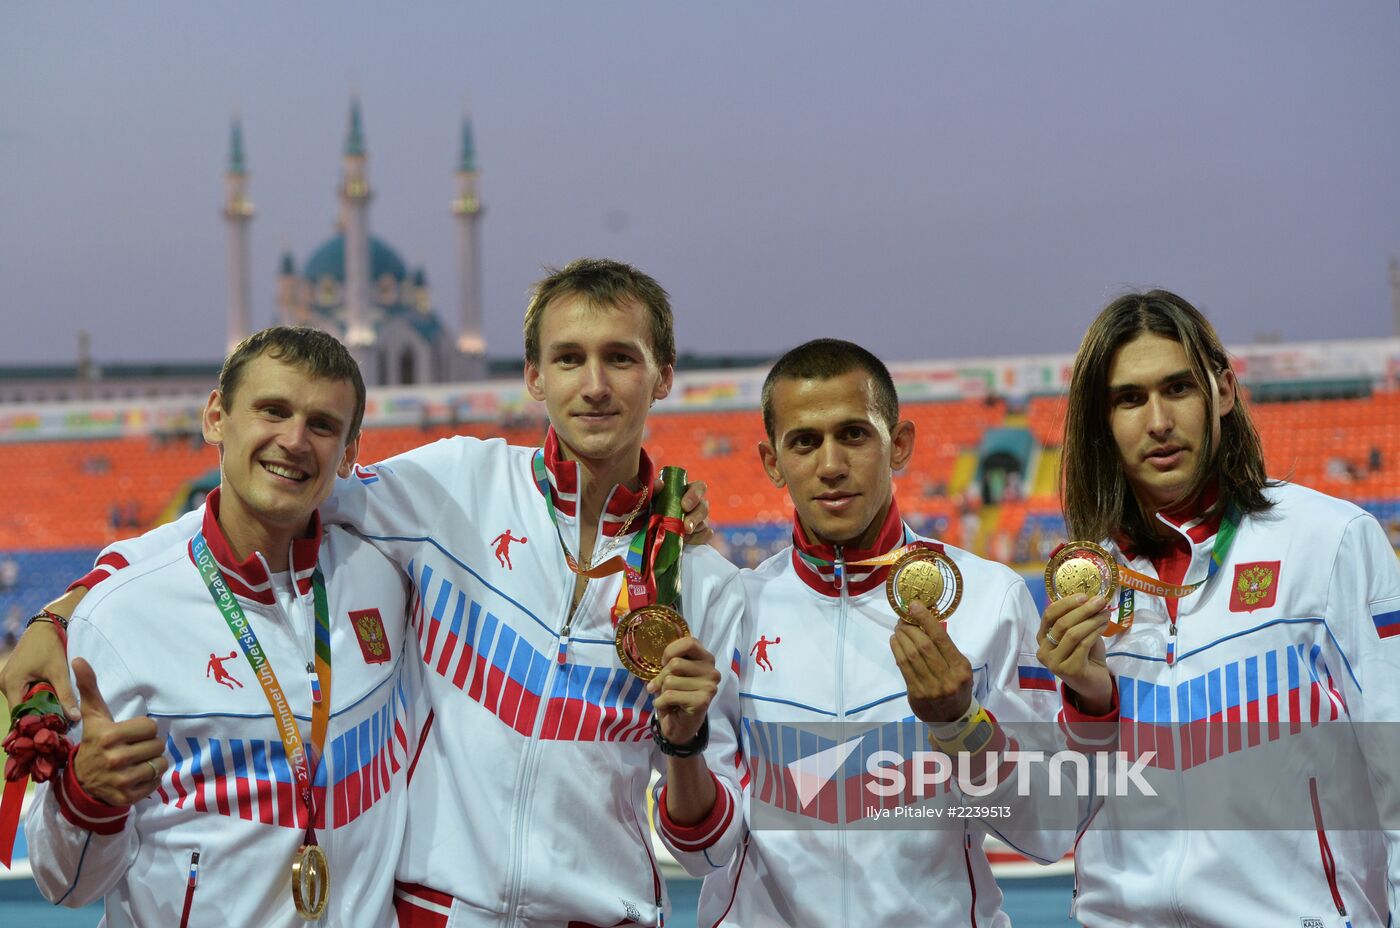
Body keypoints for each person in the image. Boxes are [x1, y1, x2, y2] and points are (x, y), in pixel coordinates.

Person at [7, 259, 735, 928]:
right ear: (535, 376)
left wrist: (684, 742)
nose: (595, 384)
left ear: (663, 375)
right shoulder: (453, 488)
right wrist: (64, 609)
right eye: (570, 358)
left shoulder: (700, 583)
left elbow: (704, 851)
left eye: (621, 358)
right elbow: (250, 512)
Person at [656, 339, 1114, 925]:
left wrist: (962, 724)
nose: (830, 465)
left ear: (898, 445)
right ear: (773, 463)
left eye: (853, 434)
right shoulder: (734, 607)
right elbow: (702, 851)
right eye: (805, 442)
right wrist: (683, 745)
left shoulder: (989, 599)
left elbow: (1049, 830)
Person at [25, 326, 422, 925]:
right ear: (216, 417)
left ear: (348, 453)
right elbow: (65, 885)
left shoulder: (385, 573)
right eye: (272, 410)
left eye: (321, 424)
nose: (294, 441)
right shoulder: (121, 616)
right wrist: (85, 797)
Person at [1039, 290, 1400, 925]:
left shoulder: (1330, 540)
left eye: (1177, 389)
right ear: (1103, 422)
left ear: (1224, 391)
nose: (1158, 421)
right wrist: (1090, 707)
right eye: (1129, 399)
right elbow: (1056, 820)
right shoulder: (1084, 586)